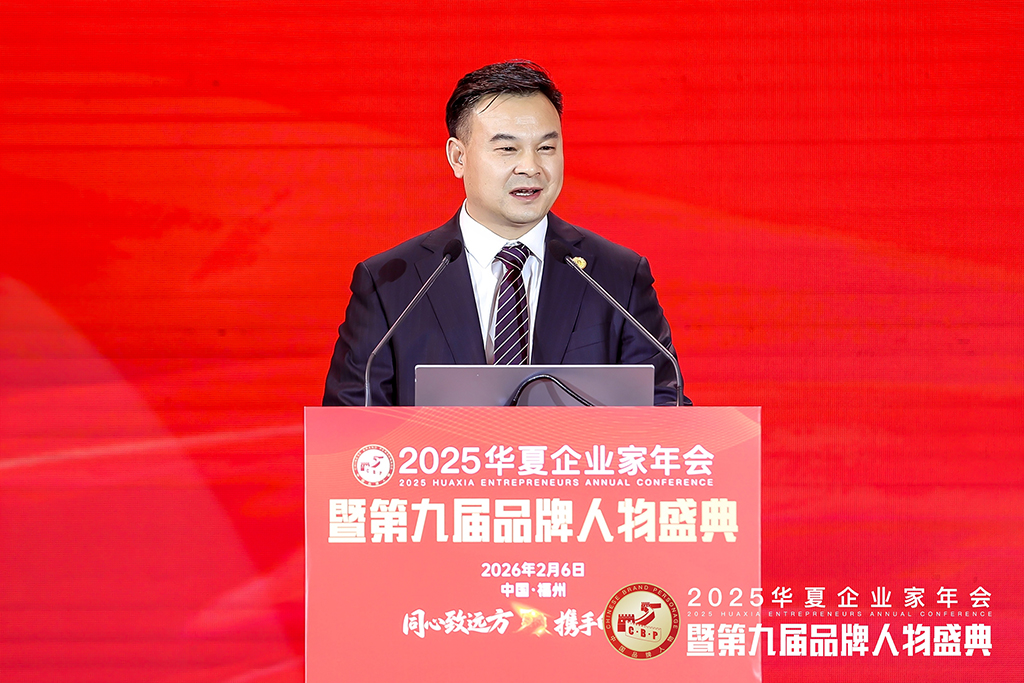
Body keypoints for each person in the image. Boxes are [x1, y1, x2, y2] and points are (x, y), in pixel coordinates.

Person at [323, 60, 688, 406]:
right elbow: (350, 423)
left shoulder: (616, 276)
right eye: (508, 148)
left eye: (546, 148)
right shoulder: (392, 283)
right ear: (458, 157)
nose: (531, 167)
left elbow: (665, 409)